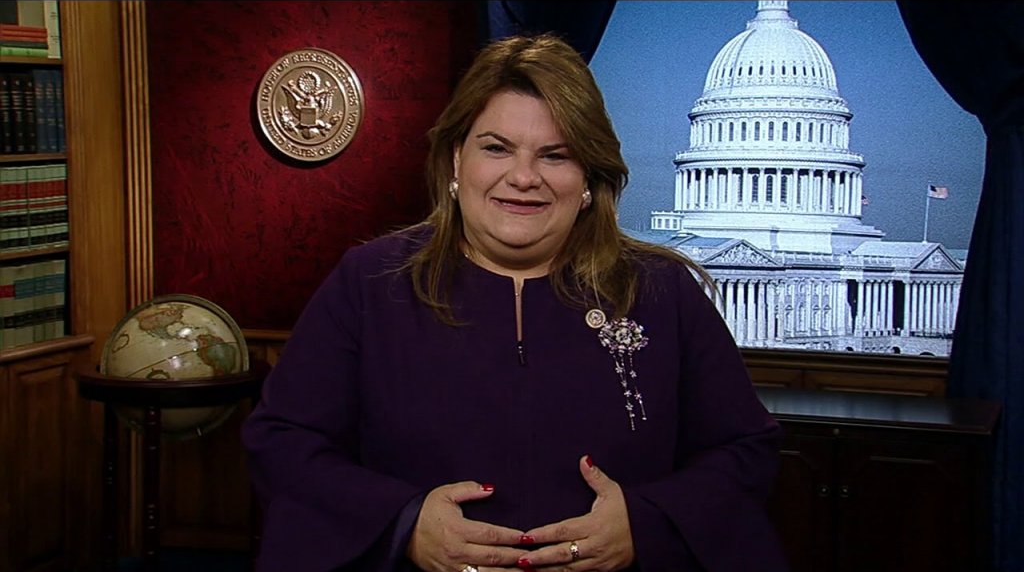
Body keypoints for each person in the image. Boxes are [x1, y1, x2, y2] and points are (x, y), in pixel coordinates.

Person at [241, 33, 789, 572]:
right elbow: (283, 441)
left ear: (588, 178)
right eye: (496, 148)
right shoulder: (369, 282)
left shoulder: (662, 291)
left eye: (555, 155)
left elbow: (745, 450)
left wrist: (647, 524)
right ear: (456, 160)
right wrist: (403, 524)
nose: (523, 177)